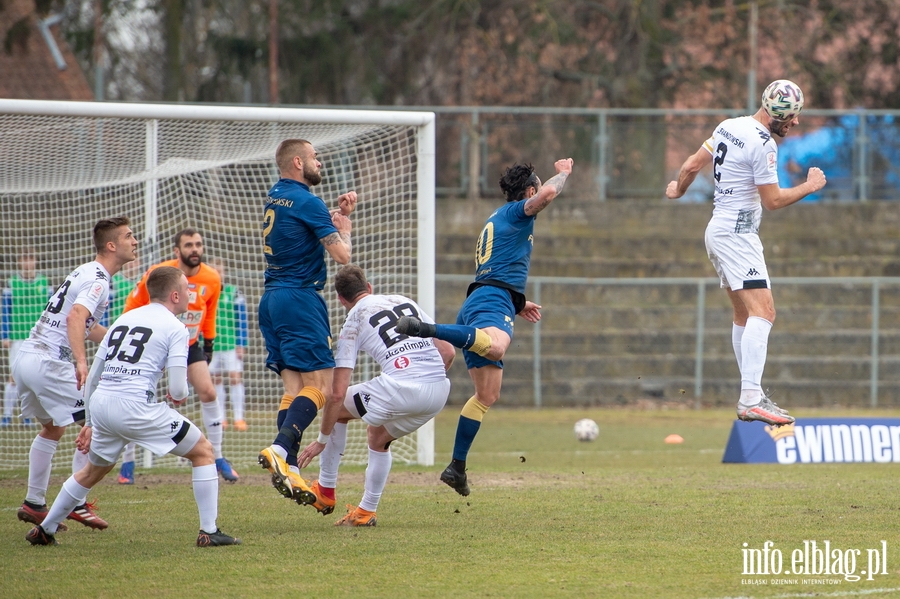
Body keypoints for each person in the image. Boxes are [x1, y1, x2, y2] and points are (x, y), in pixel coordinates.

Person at [25, 266, 241, 547]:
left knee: (92, 471)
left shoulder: (124, 319)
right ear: (175, 295)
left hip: (103, 404)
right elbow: (178, 388)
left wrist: (90, 421)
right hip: (137, 407)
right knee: (203, 452)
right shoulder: (176, 326)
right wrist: (178, 395)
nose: (191, 293)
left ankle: (46, 528)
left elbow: (93, 376)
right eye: (187, 288)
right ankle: (209, 532)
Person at [395, 158, 573, 496]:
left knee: (487, 394)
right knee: (496, 346)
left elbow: (498, 266)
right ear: (528, 192)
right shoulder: (520, 211)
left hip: (488, 299)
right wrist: (564, 172)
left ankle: (457, 466)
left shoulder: (500, 217)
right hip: (489, 302)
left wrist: (518, 303)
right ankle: (427, 329)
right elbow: (549, 193)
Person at [665, 79, 827, 426]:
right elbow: (773, 201)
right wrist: (810, 187)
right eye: (793, 117)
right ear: (778, 115)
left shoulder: (729, 125)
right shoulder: (765, 144)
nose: (796, 123)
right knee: (765, 313)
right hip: (738, 234)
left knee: (743, 316)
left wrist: (678, 189)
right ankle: (751, 397)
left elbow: (692, 165)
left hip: (716, 231)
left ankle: (752, 392)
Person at [296, 265, 455, 525]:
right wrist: (425, 380)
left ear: (341, 300)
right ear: (369, 287)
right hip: (438, 392)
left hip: (401, 387)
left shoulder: (354, 319)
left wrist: (321, 441)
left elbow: (336, 394)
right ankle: (365, 511)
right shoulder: (404, 301)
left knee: (336, 408)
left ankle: (325, 490)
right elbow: (448, 351)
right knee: (378, 436)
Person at [14, 217, 138, 531]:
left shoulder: (87, 270)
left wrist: (117, 340)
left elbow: (87, 325)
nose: (134, 241)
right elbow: (76, 316)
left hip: (27, 357)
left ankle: (34, 503)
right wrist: (81, 363)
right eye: (128, 236)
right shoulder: (99, 279)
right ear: (112, 246)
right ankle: (76, 503)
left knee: (53, 428)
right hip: (50, 363)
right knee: (100, 424)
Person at [256, 138, 356, 506]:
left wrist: (328, 216)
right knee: (326, 386)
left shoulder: (276, 195)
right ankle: (281, 450)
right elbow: (342, 255)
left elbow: (301, 226)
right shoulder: (308, 202)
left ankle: (291, 467)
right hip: (300, 298)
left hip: (271, 300)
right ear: (298, 162)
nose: (320, 162)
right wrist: (344, 226)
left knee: (296, 386)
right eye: (315, 157)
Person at [115, 229, 239, 484]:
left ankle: (218, 456)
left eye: (198, 244)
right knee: (135, 397)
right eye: (189, 245)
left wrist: (209, 343)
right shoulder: (159, 274)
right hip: (155, 344)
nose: (195, 249)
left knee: (209, 392)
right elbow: (132, 304)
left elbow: (210, 312)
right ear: (177, 250)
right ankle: (128, 462)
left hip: (188, 344)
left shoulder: (212, 278)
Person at [2, 249, 52, 426]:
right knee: (14, 377)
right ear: (19, 262)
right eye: (24, 258)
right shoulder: (12, 283)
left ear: (36, 261)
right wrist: (4, 334)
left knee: (33, 377)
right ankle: (7, 415)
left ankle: (28, 415)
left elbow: (50, 311)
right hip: (17, 336)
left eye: (31, 258)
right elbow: (5, 310)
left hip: (38, 338)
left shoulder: (44, 283)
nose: (28, 262)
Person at [208, 260, 248, 432]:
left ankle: (238, 418)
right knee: (215, 379)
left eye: (220, 271)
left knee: (235, 377)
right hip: (212, 344)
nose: (218, 274)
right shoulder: (207, 292)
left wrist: (241, 343)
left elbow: (242, 320)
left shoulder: (233, 293)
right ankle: (221, 418)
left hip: (230, 344)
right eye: (215, 271)